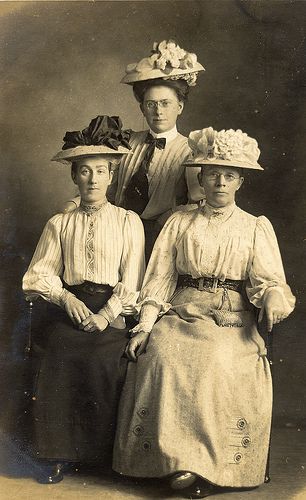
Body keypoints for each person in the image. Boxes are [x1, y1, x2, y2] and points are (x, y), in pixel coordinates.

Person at [112, 127, 295, 498]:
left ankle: (206, 465)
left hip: (232, 318)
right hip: (182, 310)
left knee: (214, 360)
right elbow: (160, 278)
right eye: (212, 173)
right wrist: (145, 325)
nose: (220, 182)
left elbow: (269, 281)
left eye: (229, 175)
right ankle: (168, 461)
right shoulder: (180, 222)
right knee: (161, 355)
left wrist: (274, 297)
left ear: (240, 181)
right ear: (201, 177)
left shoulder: (254, 227)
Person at [22, 115, 145, 484]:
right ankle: (58, 453)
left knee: (103, 359)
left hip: (113, 311)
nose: (92, 179)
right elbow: (38, 275)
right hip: (70, 308)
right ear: (74, 176)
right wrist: (65, 300)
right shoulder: (59, 223)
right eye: (84, 171)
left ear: (111, 176)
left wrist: (106, 315)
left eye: (100, 171)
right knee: (60, 352)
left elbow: (133, 279)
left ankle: (100, 457)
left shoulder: (127, 221)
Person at [63, 40, 205, 260]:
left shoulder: (191, 151)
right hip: (114, 234)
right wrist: (72, 204)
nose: (158, 111)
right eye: (151, 104)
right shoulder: (125, 142)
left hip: (161, 240)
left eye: (165, 103)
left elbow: (197, 206)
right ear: (142, 108)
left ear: (180, 107)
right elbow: (100, 182)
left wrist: (164, 220)